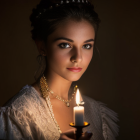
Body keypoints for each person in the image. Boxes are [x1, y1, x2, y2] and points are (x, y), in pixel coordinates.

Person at [0, 0, 119, 139]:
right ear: (42, 46)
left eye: (86, 46)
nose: (78, 57)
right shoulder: (20, 113)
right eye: (65, 45)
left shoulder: (96, 112)